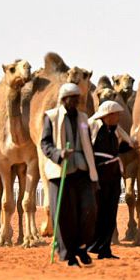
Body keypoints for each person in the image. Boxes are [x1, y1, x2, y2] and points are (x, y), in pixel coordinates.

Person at [40, 83, 99, 267]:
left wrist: (93, 170)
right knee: (65, 216)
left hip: (82, 170)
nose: (76, 101)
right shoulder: (52, 117)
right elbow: (45, 144)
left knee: (89, 211)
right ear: (64, 99)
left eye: (77, 97)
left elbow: (88, 143)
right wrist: (58, 154)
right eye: (73, 97)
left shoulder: (83, 118)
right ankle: (68, 255)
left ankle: (81, 247)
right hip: (61, 172)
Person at [88, 100, 133, 259]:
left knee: (110, 213)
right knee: (98, 213)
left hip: (113, 175)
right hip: (98, 175)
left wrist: (128, 147)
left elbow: (122, 146)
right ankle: (93, 245)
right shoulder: (93, 127)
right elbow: (87, 149)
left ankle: (105, 249)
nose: (119, 117)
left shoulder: (115, 130)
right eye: (117, 114)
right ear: (108, 115)